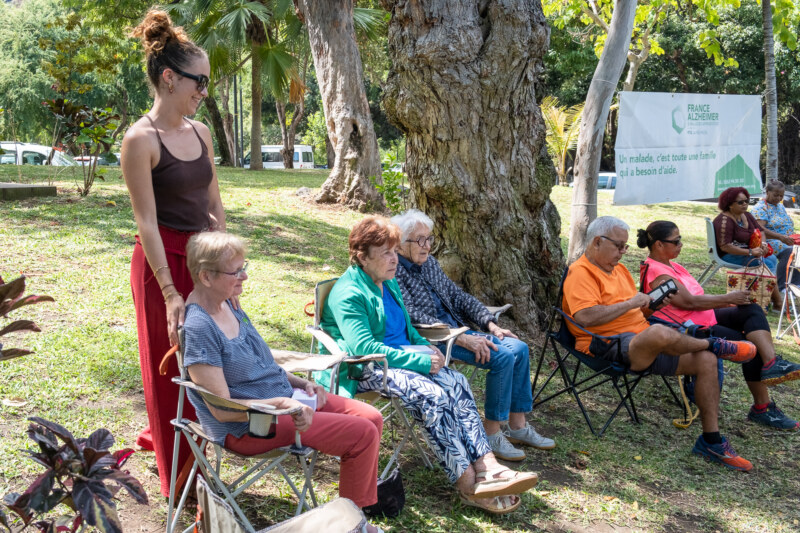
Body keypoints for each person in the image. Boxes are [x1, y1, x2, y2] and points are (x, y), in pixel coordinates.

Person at [316, 216, 539, 515]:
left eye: (395, 251)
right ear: (361, 256)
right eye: (385, 253)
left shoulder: (387, 280)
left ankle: (488, 466)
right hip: (367, 368)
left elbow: (407, 329)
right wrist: (420, 359)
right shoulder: (350, 293)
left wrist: (428, 346)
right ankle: (469, 485)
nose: (394, 259)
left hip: (401, 358)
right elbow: (364, 349)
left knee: (457, 383)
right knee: (433, 396)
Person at [181, 232, 384, 531]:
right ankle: (354, 526)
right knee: (363, 434)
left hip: (286, 400)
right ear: (206, 277)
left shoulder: (229, 304)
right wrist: (280, 404)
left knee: (372, 417)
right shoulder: (200, 328)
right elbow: (222, 410)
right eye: (235, 271)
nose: (244, 276)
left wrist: (300, 384)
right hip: (252, 425)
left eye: (243, 266)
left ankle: (353, 510)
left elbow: (261, 363)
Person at [123, 10, 226, 497]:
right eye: (198, 82)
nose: (203, 92)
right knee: (170, 369)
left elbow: (213, 205)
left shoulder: (202, 133)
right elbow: (145, 222)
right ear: (169, 78)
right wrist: (169, 292)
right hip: (161, 261)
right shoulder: (140, 140)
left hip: (204, 261)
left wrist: (224, 267)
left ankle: (208, 455)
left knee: (213, 360)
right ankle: (182, 482)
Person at [563, 216, 758, 471]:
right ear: (598, 241)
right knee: (658, 332)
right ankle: (714, 343)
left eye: (626, 247)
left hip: (641, 341)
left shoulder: (618, 269)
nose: (623, 253)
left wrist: (649, 307)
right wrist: (632, 303)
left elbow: (635, 314)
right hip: (605, 345)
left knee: (706, 360)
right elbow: (585, 318)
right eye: (619, 246)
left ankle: (712, 441)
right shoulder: (581, 272)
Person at [391, 209, 554, 462]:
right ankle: (491, 433)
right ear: (401, 244)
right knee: (500, 357)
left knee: (518, 347)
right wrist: (459, 336)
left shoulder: (430, 264)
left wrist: (490, 324)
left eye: (429, 239)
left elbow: (458, 297)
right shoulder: (395, 270)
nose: (427, 246)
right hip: (434, 338)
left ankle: (518, 427)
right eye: (419, 240)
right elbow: (410, 315)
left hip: (459, 329)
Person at [638, 220, 800, 430]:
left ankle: (771, 364)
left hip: (705, 316)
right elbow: (688, 302)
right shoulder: (657, 273)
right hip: (687, 328)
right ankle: (762, 407)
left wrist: (730, 301)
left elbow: (696, 298)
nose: (681, 245)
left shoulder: (672, 264)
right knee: (750, 345)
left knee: (752, 310)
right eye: (676, 241)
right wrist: (727, 298)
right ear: (659, 244)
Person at [713, 187, 783, 308]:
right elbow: (725, 247)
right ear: (729, 204)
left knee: (771, 259)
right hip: (729, 255)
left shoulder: (746, 215)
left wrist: (763, 244)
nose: (745, 204)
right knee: (761, 262)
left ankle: (770, 298)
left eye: (747, 201)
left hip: (747, 252)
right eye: (740, 202)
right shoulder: (724, 221)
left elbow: (760, 231)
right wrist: (750, 252)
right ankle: (777, 302)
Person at [750, 179, 798, 292]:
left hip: (786, 239)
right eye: (776, 195)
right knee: (791, 251)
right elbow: (760, 230)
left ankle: (796, 283)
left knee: (797, 250)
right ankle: (783, 287)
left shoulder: (780, 206)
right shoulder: (760, 208)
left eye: (781, 196)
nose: (779, 198)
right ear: (767, 192)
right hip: (771, 241)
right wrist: (780, 237)